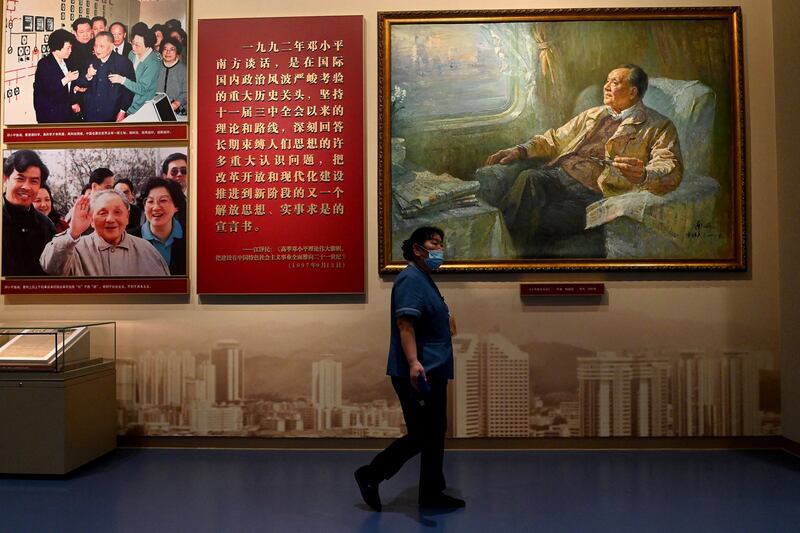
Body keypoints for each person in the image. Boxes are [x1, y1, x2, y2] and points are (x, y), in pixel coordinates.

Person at [481, 64, 682, 256]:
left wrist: (645, 175)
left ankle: (506, 259)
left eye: (614, 82)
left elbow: (669, 166)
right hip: (558, 175)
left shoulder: (659, 126)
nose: (606, 86)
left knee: (543, 216)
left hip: (594, 192)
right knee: (528, 177)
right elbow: (555, 139)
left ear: (633, 92)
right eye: (607, 81)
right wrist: (521, 150)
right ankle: (504, 256)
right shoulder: (593, 114)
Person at [355, 226, 465, 511]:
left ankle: (431, 492)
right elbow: (405, 325)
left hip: (434, 370)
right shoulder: (411, 279)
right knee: (422, 434)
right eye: (433, 243)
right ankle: (371, 475)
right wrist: (415, 362)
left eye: (442, 243)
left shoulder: (424, 278)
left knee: (434, 430)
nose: (439, 249)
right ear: (417, 249)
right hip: (418, 373)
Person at [40, 189, 169, 276]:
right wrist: (73, 232)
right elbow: (50, 267)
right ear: (91, 219)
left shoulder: (146, 250)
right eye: (103, 213)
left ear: (127, 216)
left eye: (117, 212)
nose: (110, 219)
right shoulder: (74, 249)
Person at [2, 150, 55, 276]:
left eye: (34, 181)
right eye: (20, 179)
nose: (26, 187)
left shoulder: (46, 225)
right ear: (6, 179)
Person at [130, 177, 186, 275]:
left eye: (163, 200)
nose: (156, 207)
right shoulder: (129, 239)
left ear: (176, 206)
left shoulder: (192, 238)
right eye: (150, 201)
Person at [76, 31, 135, 122]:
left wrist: (123, 111)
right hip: (90, 112)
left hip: (111, 113)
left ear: (111, 46)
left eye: (101, 46)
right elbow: (79, 83)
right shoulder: (90, 61)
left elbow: (129, 90)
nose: (97, 50)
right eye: (95, 46)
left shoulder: (124, 63)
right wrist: (88, 75)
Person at [109, 27, 160, 117]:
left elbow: (142, 89)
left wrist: (122, 80)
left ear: (148, 45)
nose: (133, 47)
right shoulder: (132, 54)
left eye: (138, 45)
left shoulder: (153, 62)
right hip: (126, 103)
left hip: (140, 107)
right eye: (133, 43)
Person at [33, 29, 78, 123]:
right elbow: (48, 89)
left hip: (65, 111)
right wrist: (66, 79)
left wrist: (74, 89)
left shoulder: (66, 62)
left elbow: (66, 89)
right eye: (68, 48)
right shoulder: (45, 64)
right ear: (57, 47)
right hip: (49, 114)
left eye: (71, 47)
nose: (71, 51)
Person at [157, 37, 187, 114]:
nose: (168, 52)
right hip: (156, 107)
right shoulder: (156, 67)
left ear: (177, 52)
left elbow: (187, 92)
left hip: (177, 109)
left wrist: (177, 103)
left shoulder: (184, 69)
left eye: (172, 49)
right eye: (165, 49)